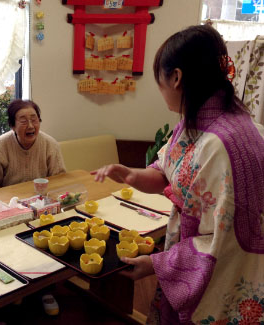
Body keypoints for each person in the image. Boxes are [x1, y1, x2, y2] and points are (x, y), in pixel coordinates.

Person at [93, 25, 264, 323]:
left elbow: (218, 244)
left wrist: (158, 263)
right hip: (193, 246)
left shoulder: (218, 144)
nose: (159, 90)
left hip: (225, 270)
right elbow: (165, 174)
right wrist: (130, 175)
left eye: (159, 80)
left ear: (176, 77)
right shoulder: (202, 121)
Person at [0, 99, 66, 188]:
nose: (30, 126)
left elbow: (60, 181)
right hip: (9, 200)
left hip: (42, 198)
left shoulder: (50, 144)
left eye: (34, 120)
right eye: (23, 121)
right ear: (12, 126)